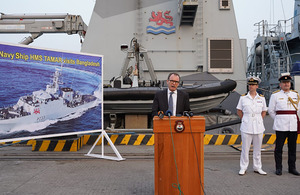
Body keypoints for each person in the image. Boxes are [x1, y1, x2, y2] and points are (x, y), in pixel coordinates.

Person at [268, 73, 300, 176]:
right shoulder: (275, 95)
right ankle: (278, 168)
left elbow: (298, 110)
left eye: (288, 82)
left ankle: (292, 168)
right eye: (284, 82)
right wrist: (278, 119)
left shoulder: (296, 95)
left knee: (292, 148)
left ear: (290, 84)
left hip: (293, 125)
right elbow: (271, 111)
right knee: (279, 148)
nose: (286, 84)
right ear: (280, 84)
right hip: (281, 125)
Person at [236, 76, 267, 176]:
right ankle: (243, 167)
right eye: (250, 84)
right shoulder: (243, 98)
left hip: (258, 125)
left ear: (257, 86)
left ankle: (258, 167)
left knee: (257, 149)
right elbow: (239, 111)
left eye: (253, 84)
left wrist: (259, 120)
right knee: (245, 148)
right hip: (247, 125)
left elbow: (264, 111)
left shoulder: (261, 98)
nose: (251, 86)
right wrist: (245, 119)